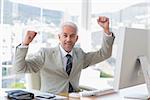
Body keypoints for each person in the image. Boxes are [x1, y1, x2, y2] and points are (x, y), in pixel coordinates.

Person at [13, 16, 115, 94]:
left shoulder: (79, 54)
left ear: (76, 38)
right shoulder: (45, 54)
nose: (68, 39)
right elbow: (19, 69)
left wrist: (106, 30)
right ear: (59, 37)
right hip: (52, 98)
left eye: (72, 36)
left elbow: (104, 54)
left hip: (74, 97)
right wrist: (25, 44)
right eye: (65, 35)